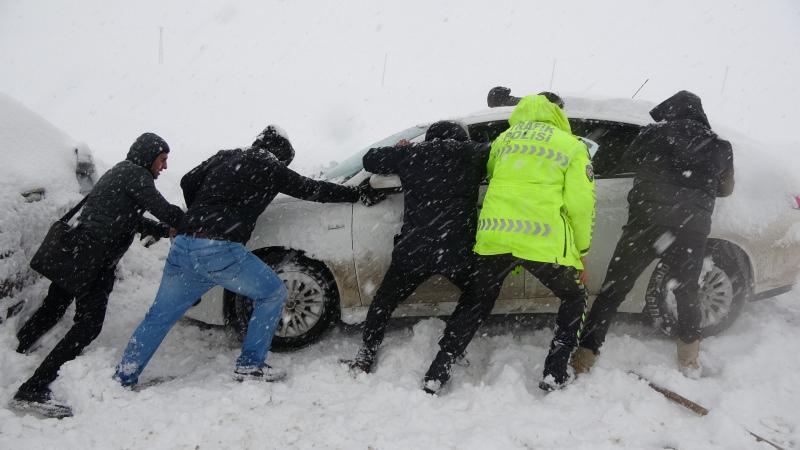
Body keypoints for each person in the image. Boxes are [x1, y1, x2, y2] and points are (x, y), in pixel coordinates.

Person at [114, 125, 385, 387]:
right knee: (272, 293)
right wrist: (355, 193)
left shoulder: (226, 156)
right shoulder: (270, 166)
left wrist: (201, 212)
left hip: (185, 244)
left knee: (159, 315)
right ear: (281, 156)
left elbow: (188, 180)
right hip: (218, 248)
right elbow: (312, 189)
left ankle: (125, 375)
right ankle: (250, 364)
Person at [423, 93, 596, 393]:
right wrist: (580, 253)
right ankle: (555, 371)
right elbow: (581, 205)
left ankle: (439, 368)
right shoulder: (572, 146)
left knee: (476, 300)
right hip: (542, 240)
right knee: (574, 297)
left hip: (496, 235)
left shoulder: (503, 140)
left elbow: (491, 176)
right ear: (557, 114)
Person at [11, 133, 184, 418]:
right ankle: (33, 388)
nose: (164, 166)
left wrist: (165, 231)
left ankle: (13, 356)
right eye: (163, 160)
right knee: (88, 326)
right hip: (95, 259)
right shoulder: (136, 174)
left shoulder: (121, 171)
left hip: (78, 252)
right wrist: (194, 220)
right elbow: (166, 210)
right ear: (149, 156)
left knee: (52, 309)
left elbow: (130, 219)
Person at [571, 90, 734, 378]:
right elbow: (725, 189)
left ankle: (585, 355)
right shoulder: (720, 146)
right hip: (690, 228)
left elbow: (627, 162)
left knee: (613, 290)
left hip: (647, 222)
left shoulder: (653, 134)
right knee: (687, 292)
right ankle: (689, 360)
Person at [343, 120, 490, 376]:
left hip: (415, 249)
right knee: (478, 296)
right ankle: (451, 348)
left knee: (384, 301)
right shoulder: (473, 154)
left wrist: (403, 148)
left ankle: (366, 353)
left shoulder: (411, 154)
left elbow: (370, 160)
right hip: (457, 251)